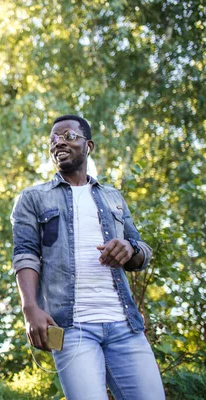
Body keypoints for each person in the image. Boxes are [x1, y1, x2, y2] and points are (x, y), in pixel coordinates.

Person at [11, 115, 165, 399]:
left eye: (68, 136)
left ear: (88, 145)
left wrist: (129, 249)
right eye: (53, 140)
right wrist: (29, 307)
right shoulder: (33, 198)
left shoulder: (113, 196)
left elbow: (141, 249)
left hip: (125, 326)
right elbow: (25, 255)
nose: (59, 142)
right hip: (71, 330)